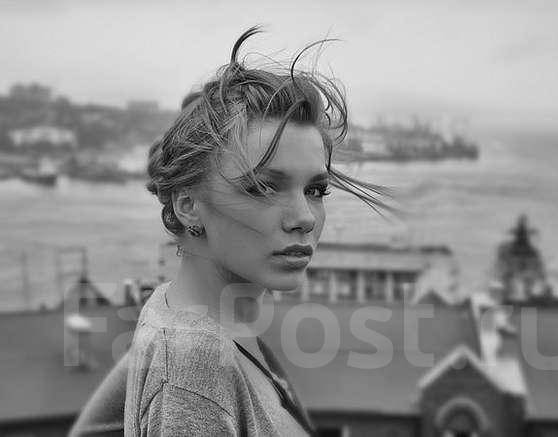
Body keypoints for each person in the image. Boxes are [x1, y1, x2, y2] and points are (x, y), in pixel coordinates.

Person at [70, 26, 391, 436]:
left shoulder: (187, 314)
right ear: (187, 205)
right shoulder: (194, 367)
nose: (305, 217)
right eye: (263, 187)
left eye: (315, 190)